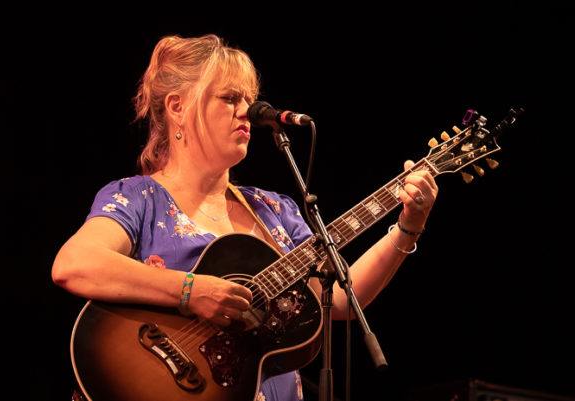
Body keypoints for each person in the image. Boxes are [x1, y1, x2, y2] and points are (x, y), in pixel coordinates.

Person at [51, 34, 438, 401]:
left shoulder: (273, 210)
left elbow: (338, 299)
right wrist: (191, 291)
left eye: (250, 100)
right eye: (230, 98)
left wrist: (409, 226)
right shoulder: (138, 198)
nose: (247, 112)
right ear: (177, 108)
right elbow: (74, 264)